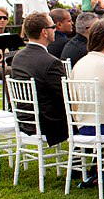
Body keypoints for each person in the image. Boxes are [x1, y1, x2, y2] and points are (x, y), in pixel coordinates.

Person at [10, 12, 69, 146]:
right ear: (44, 32)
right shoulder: (51, 62)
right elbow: (65, 96)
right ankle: (84, 160)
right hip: (48, 123)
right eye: (53, 27)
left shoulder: (18, 57)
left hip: (24, 119)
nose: (55, 30)